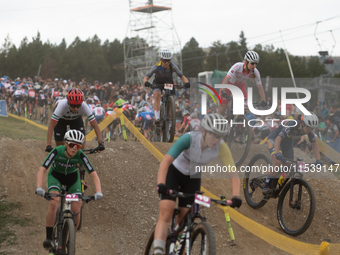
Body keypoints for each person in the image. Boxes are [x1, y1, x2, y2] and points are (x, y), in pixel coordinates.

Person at [153, 113, 242, 255]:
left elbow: (233, 174)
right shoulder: (189, 139)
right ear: (204, 131)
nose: (217, 140)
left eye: (220, 136)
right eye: (214, 135)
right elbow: (166, 161)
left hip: (193, 178)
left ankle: (176, 250)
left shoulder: (221, 147)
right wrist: (161, 184)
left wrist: (236, 195)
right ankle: (157, 251)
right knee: (166, 212)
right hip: (174, 173)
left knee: (183, 218)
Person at [36, 130, 103, 249]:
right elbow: (42, 169)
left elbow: (93, 173)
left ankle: (69, 239)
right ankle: (49, 238)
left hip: (73, 179)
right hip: (55, 177)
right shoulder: (57, 151)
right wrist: (39, 187)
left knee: (77, 207)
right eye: (72, 145)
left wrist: (99, 191)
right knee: (54, 202)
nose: (75, 148)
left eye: (78, 146)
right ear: (66, 144)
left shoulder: (80, 155)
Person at [263, 112, 323, 195]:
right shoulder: (292, 124)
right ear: (302, 123)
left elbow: (314, 144)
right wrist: (277, 153)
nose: (310, 130)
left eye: (312, 128)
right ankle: (266, 186)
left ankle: (275, 180)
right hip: (274, 138)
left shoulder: (309, 131)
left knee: (288, 165)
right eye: (309, 127)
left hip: (287, 144)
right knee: (277, 162)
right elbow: (278, 139)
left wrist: (318, 160)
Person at [143, 49, 190, 127]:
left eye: (168, 61)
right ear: (161, 60)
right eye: (165, 61)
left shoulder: (172, 66)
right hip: (158, 83)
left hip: (168, 83)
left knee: (172, 101)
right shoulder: (156, 67)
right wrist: (146, 82)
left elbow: (182, 76)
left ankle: (171, 122)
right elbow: (146, 78)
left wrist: (187, 83)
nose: (167, 63)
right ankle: (157, 118)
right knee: (157, 95)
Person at [218, 51, 267, 116]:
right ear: (246, 62)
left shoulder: (255, 72)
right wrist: (223, 90)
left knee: (243, 110)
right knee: (222, 109)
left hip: (240, 86)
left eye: (256, 64)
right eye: (252, 63)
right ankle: (213, 123)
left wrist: (263, 99)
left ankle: (237, 124)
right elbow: (227, 77)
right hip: (228, 85)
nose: (254, 66)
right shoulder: (238, 66)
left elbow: (260, 87)